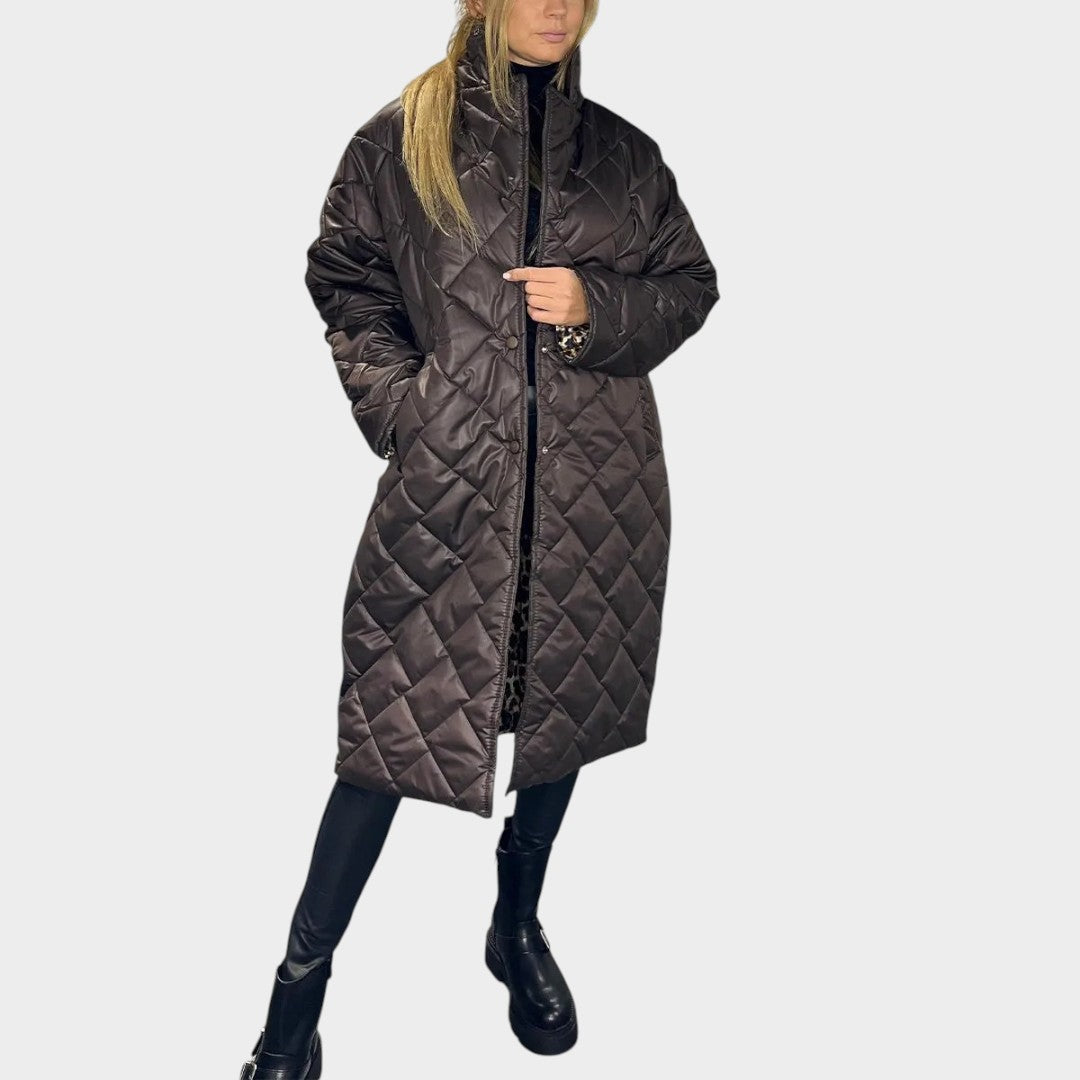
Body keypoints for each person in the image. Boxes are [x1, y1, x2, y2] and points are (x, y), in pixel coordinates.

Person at [239, 1, 718, 1073]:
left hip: (598, 494)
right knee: (384, 736)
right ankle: (296, 995)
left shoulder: (628, 158)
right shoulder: (401, 140)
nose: (557, 6)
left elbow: (691, 286)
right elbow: (346, 277)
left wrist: (594, 305)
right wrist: (408, 413)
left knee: (561, 714)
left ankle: (516, 923)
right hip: (447, 495)